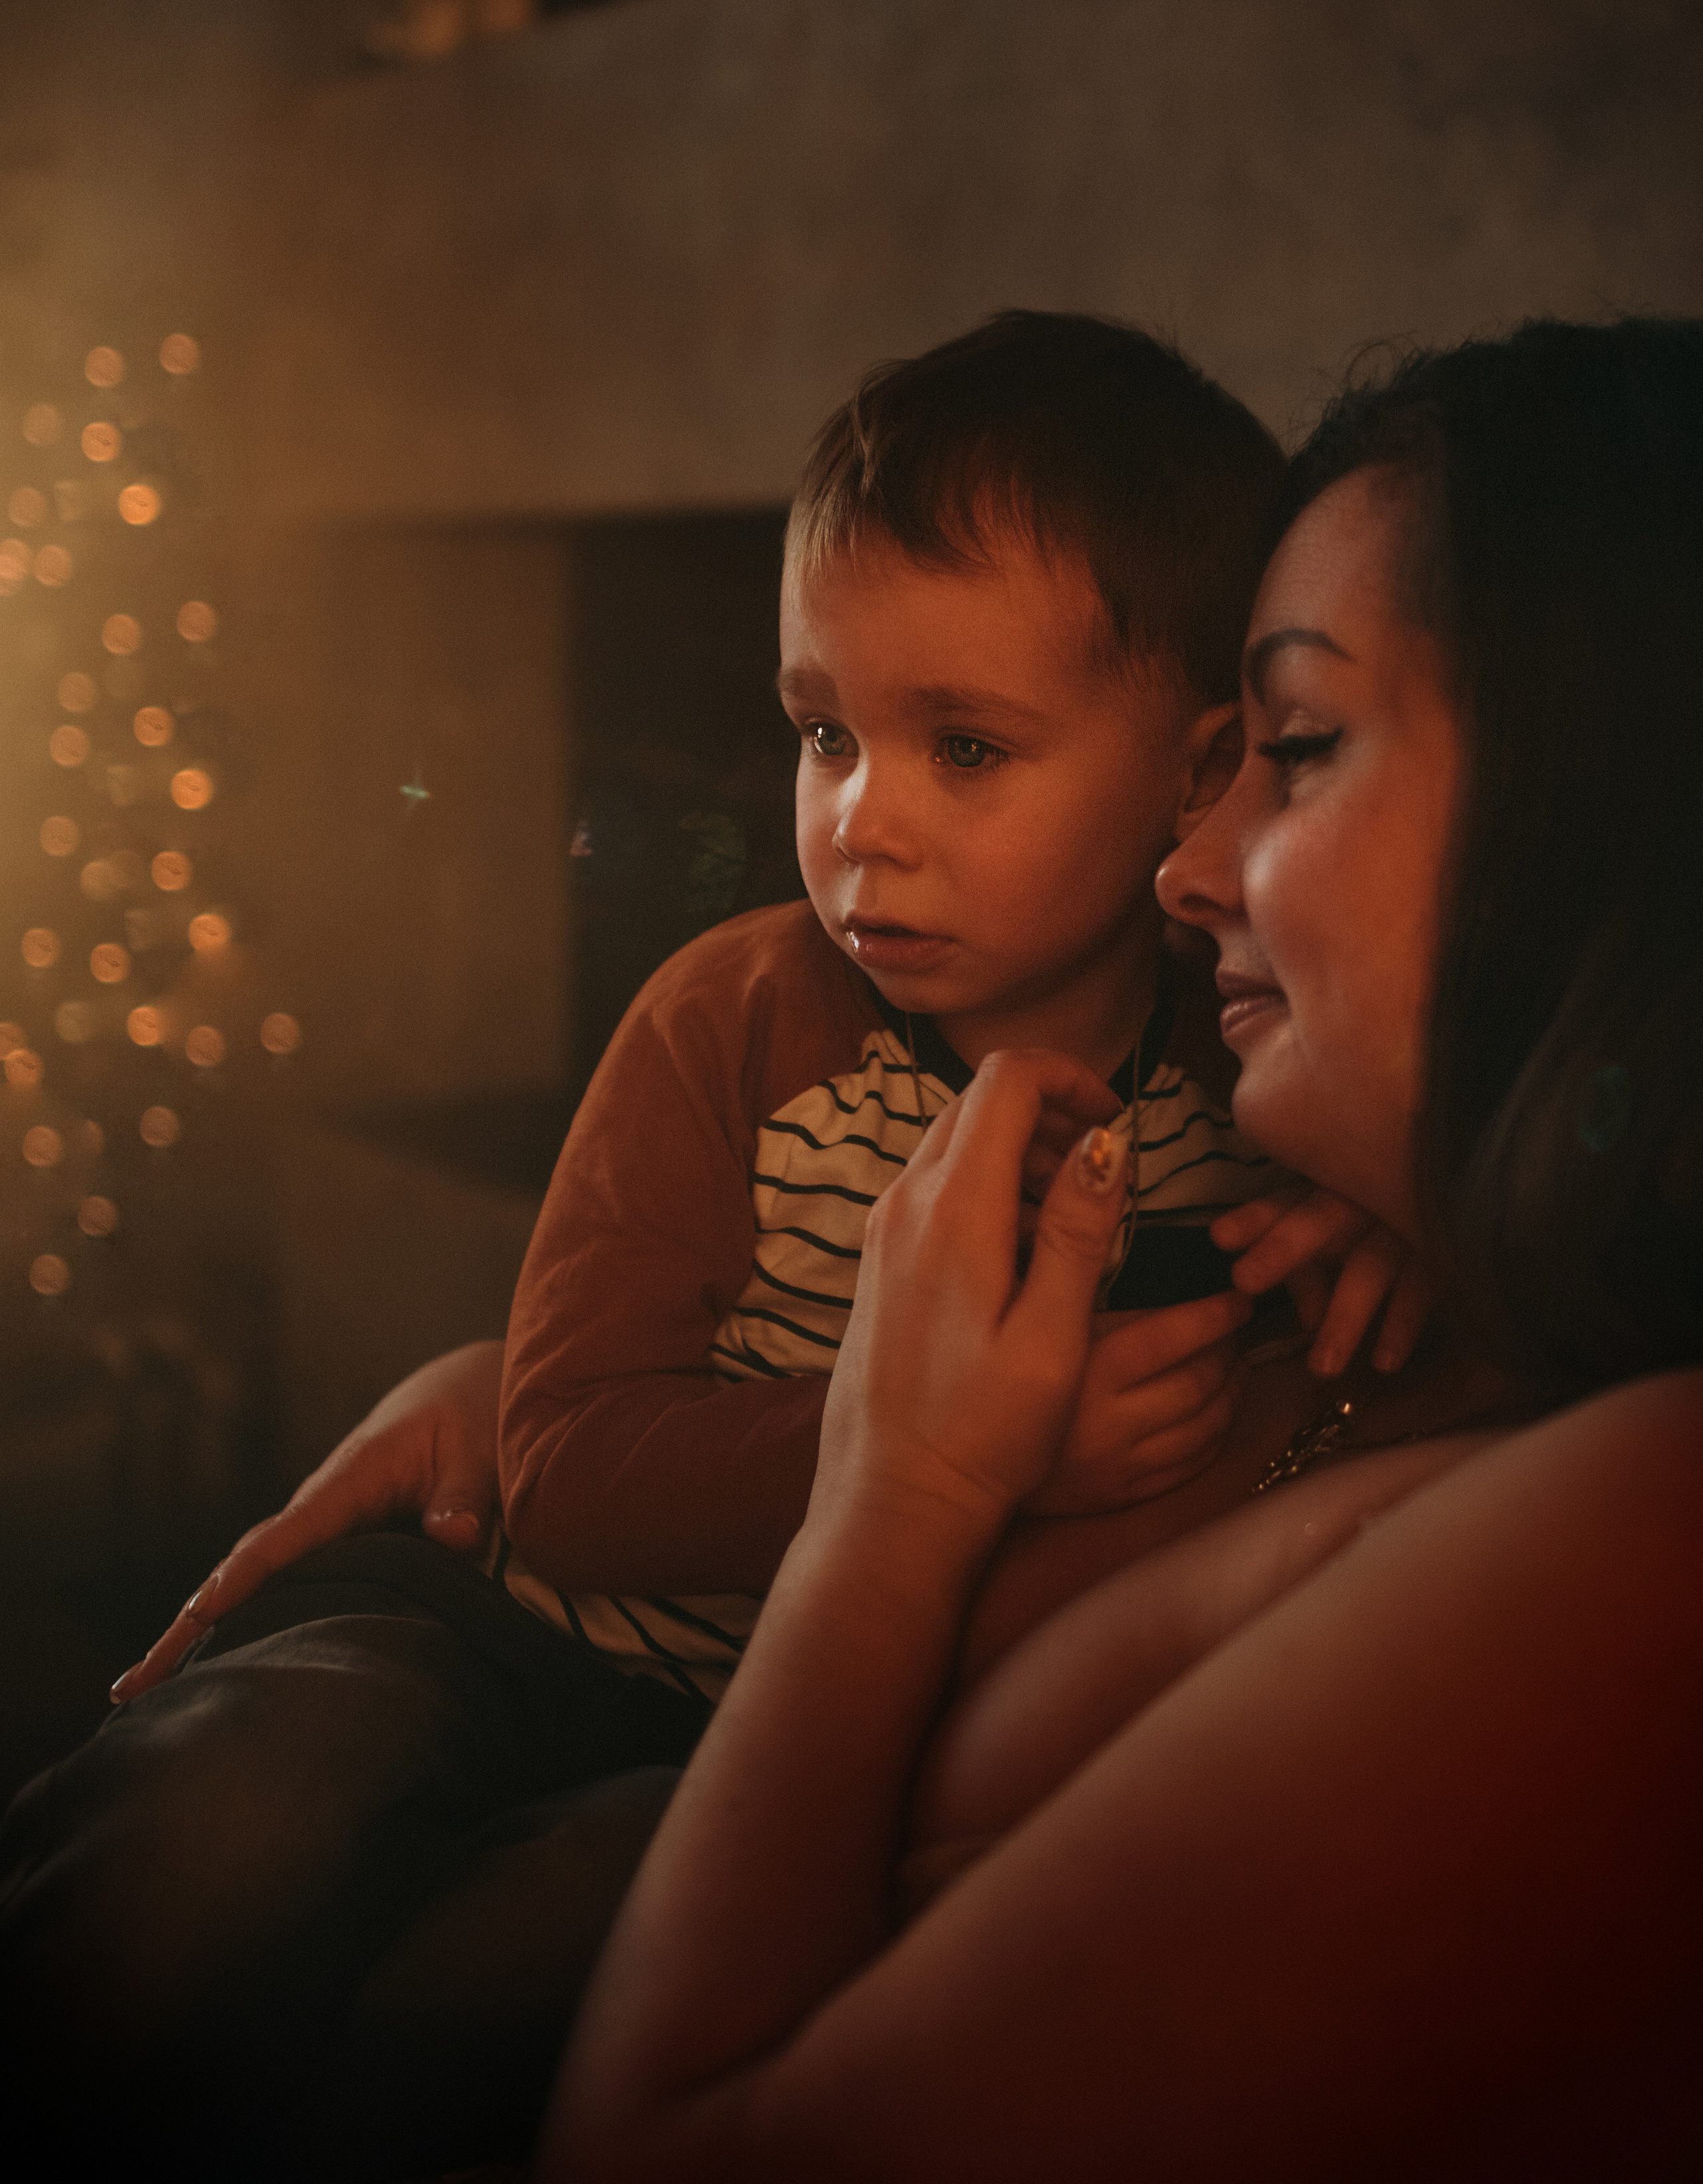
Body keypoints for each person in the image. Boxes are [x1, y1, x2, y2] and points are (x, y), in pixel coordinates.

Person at [0, 313, 1396, 2180]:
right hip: (512, 1631)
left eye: (963, 746)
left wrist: (1387, 1247)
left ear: (1201, 768)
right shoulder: (728, 1021)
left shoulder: (1246, 1075)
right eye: (825, 734)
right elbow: (565, 1465)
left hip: (787, 1744)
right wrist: (959, 1453)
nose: (860, 820)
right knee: (210, 1831)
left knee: (523, 1981)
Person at [537, 315, 1703, 2181]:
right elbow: (584, 1432)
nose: (1187, 866)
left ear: (1603, 810)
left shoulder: (1638, 1530)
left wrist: (897, 1496)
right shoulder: (1421, 1326)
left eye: (1292, 750)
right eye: (824, 734)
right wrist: (503, 1397)